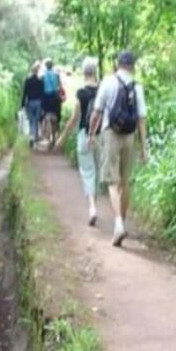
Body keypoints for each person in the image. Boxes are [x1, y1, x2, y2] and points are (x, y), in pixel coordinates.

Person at [88, 51, 147, 247]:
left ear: (118, 64)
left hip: (110, 134)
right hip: (130, 136)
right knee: (125, 182)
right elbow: (141, 118)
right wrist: (144, 147)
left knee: (112, 182)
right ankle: (121, 221)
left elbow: (97, 111)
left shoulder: (108, 82)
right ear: (132, 66)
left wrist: (91, 134)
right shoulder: (137, 87)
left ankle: (118, 223)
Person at [56, 57, 101, 226]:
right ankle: (94, 203)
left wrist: (63, 137)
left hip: (84, 135)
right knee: (96, 171)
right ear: (95, 72)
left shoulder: (81, 93)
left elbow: (75, 118)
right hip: (101, 136)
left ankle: (92, 207)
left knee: (88, 171)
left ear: (84, 72)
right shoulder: (102, 90)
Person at [21, 61, 44, 148]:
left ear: (31, 71)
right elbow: (42, 94)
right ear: (37, 71)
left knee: (31, 121)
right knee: (36, 121)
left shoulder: (28, 80)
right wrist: (43, 105)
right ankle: (35, 138)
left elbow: (25, 93)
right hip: (38, 103)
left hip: (30, 102)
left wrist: (22, 104)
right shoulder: (40, 81)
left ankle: (31, 136)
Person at [41, 59, 63, 147]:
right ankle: (54, 134)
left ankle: (47, 134)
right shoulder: (56, 75)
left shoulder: (43, 76)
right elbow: (60, 86)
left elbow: (42, 87)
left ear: (46, 66)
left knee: (45, 115)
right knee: (57, 115)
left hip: (46, 97)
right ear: (52, 66)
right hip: (55, 96)